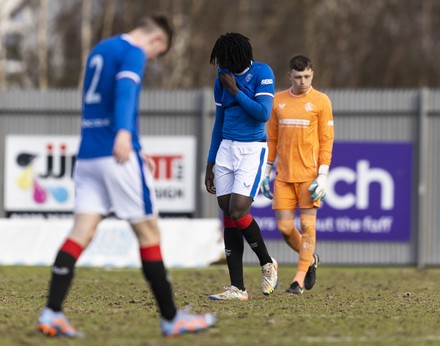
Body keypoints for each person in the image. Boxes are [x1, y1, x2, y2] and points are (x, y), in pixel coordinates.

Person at [37, 15, 216, 338]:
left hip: (89, 155)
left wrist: (133, 140)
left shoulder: (100, 49)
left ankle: (51, 312)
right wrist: (123, 134)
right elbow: (125, 94)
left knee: (81, 233)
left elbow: (98, 102)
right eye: (155, 56)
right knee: (149, 232)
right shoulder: (134, 52)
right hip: (116, 156)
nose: (150, 60)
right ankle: (171, 318)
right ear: (157, 42)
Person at [204, 32, 278, 301]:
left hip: (252, 149)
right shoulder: (221, 79)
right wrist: (210, 162)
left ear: (239, 57)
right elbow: (218, 122)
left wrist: (236, 90)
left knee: (238, 209)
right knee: (227, 211)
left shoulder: (262, 72)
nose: (223, 65)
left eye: (226, 59)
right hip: (226, 149)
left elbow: (263, 113)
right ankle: (238, 288)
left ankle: (267, 263)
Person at [261, 55, 334, 295]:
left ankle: (298, 280)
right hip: (283, 177)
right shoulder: (278, 102)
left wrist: (322, 175)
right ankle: (310, 259)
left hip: (310, 178)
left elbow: (326, 141)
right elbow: (272, 139)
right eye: (298, 76)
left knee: (307, 225)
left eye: (307, 76)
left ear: (312, 75)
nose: (303, 81)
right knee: (284, 228)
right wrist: (266, 171)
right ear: (289, 76)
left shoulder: (321, 101)